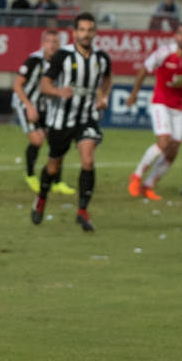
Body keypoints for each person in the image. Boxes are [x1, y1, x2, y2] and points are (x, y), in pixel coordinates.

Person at [32, 12, 112, 232]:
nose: (86, 34)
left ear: (95, 32)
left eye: (90, 30)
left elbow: (107, 79)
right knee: (53, 166)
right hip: (61, 120)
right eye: (82, 30)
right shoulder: (62, 56)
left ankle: (83, 211)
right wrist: (58, 91)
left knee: (88, 159)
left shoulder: (102, 58)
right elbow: (44, 85)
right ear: (75, 32)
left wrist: (103, 97)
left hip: (87, 118)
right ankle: (41, 198)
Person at [125, 23, 182, 200]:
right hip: (161, 102)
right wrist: (134, 94)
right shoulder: (164, 52)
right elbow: (144, 69)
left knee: (173, 150)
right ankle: (137, 175)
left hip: (179, 107)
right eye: (181, 33)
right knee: (164, 142)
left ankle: (148, 185)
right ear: (176, 36)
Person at [11, 29, 76, 195]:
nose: (52, 45)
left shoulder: (61, 61)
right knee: (37, 140)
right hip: (26, 102)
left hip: (47, 105)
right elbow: (17, 85)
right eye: (49, 41)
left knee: (56, 142)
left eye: (56, 42)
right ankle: (30, 175)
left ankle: (57, 181)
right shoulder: (34, 60)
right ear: (43, 44)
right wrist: (29, 107)